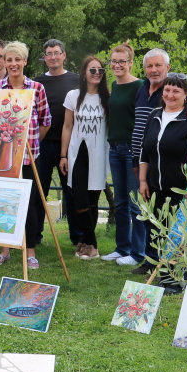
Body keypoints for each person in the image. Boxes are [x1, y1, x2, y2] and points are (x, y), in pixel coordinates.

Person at [138, 73, 187, 292]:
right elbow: (144, 150)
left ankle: (176, 279)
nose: (170, 95)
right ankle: (161, 272)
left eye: (176, 91)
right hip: (155, 185)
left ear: (186, 94)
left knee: (179, 235)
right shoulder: (154, 115)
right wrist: (142, 180)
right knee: (159, 230)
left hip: (183, 188)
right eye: (167, 90)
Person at [0, 41, 51, 269]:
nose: (13, 64)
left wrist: (30, 142)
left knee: (30, 204)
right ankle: (5, 250)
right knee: (5, 203)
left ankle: (30, 252)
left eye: (17, 59)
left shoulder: (37, 88)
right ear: (4, 62)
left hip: (29, 158)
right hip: (2, 158)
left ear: (25, 61)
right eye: (9, 60)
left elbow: (45, 121)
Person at [33, 39, 82, 250]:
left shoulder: (77, 80)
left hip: (69, 145)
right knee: (38, 191)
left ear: (64, 55)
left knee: (72, 192)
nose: (53, 57)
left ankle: (78, 237)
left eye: (56, 53)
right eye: (49, 54)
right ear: (44, 58)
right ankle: (34, 235)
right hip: (41, 144)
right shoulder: (37, 82)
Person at [59, 56, 109, 260]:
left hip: (99, 154)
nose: (97, 73)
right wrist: (63, 155)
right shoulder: (73, 95)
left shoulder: (107, 97)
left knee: (93, 200)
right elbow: (67, 126)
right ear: (84, 73)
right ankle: (92, 243)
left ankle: (86, 243)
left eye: (100, 70)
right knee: (79, 198)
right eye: (92, 70)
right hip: (78, 152)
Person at [102, 43, 147, 267]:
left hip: (132, 150)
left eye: (122, 61)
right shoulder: (114, 85)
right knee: (120, 202)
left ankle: (138, 252)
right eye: (114, 61)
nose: (117, 65)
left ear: (130, 63)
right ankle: (122, 248)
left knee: (135, 202)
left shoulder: (140, 86)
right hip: (115, 148)